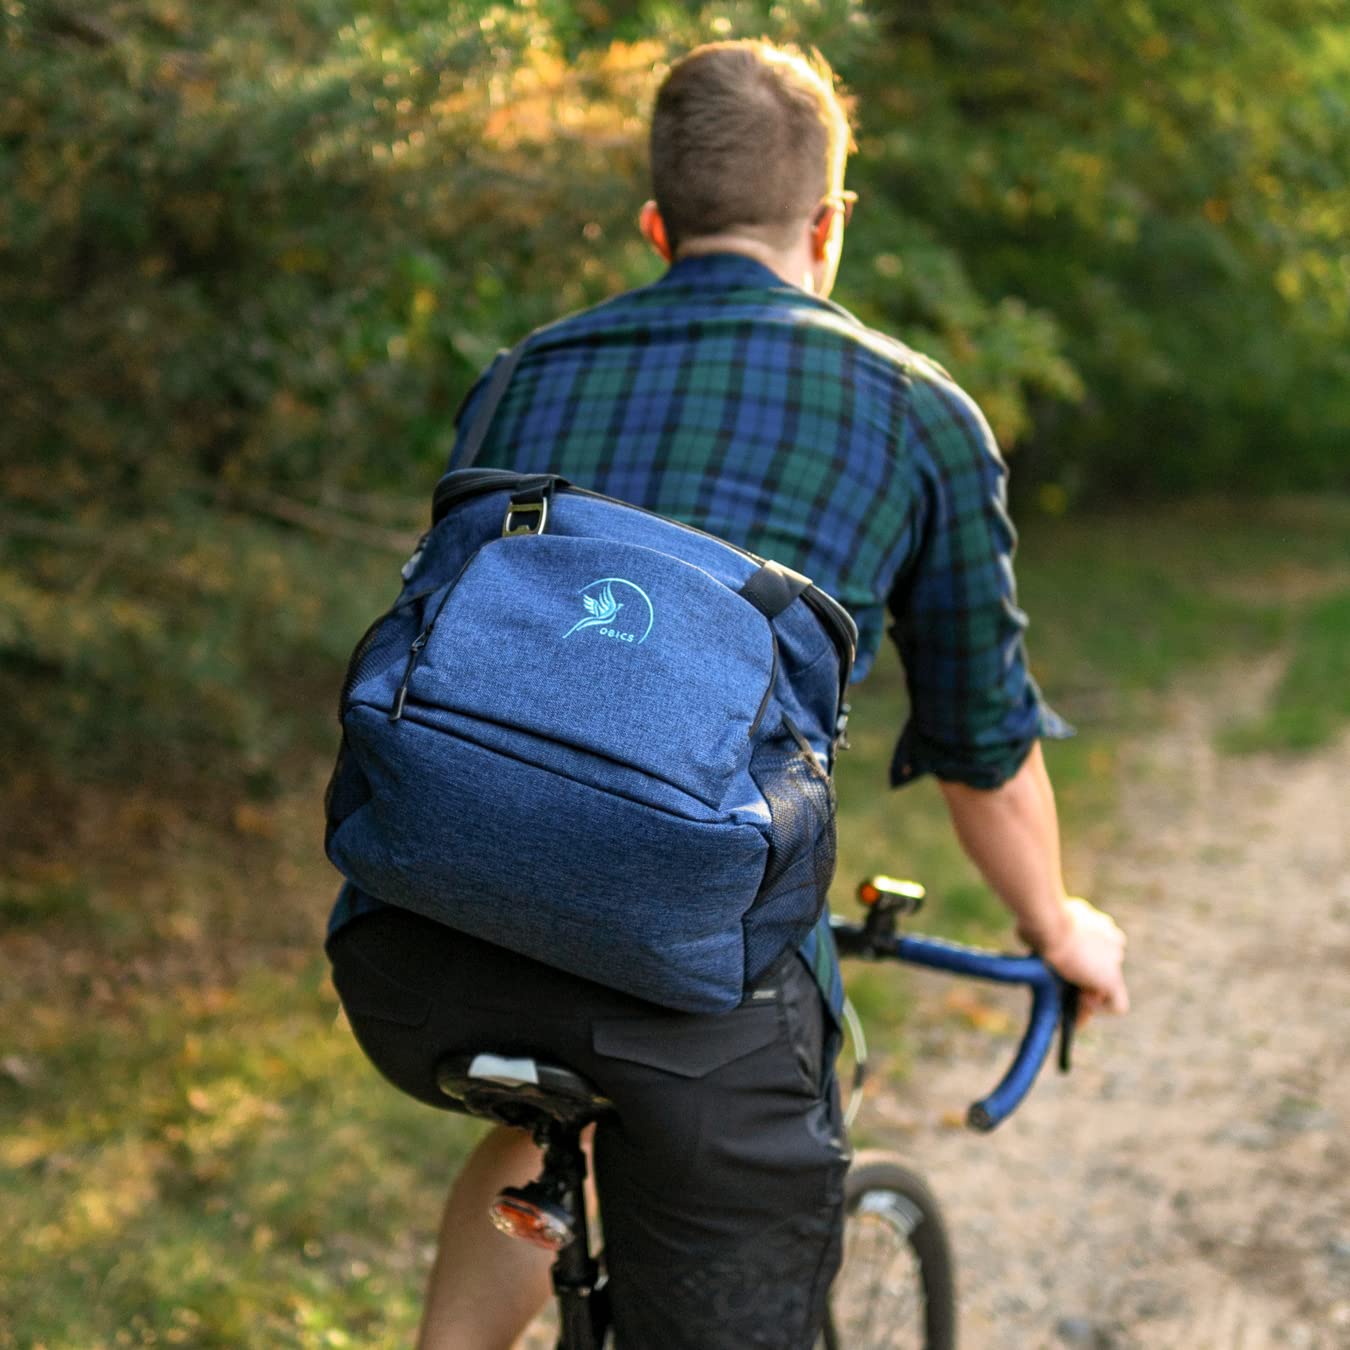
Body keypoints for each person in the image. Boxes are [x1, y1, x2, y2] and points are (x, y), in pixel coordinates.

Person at [325, 38, 1129, 1350]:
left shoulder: (524, 373)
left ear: (656, 224)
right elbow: (984, 748)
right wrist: (1056, 926)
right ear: (828, 225)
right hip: (702, 994)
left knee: (555, 1111)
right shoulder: (916, 413)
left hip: (416, 945)